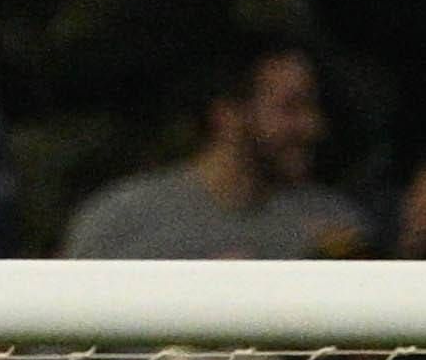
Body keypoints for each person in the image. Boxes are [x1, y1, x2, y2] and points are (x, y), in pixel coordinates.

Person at [59, 42, 368, 261]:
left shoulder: (333, 225)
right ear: (227, 115)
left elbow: (373, 352)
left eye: (312, 108)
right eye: (291, 108)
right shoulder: (121, 220)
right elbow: (57, 350)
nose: (312, 127)